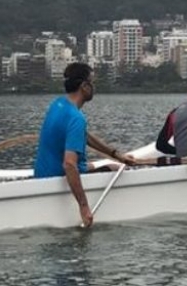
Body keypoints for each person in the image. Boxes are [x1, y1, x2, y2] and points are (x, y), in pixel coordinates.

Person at [34, 63, 130, 228]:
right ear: (84, 86)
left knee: (106, 163)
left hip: (42, 174)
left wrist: (116, 154)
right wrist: (84, 207)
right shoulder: (76, 118)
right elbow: (69, 164)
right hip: (58, 178)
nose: (94, 87)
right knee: (117, 169)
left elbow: (83, 136)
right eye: (92, 83)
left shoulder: (58, 104)